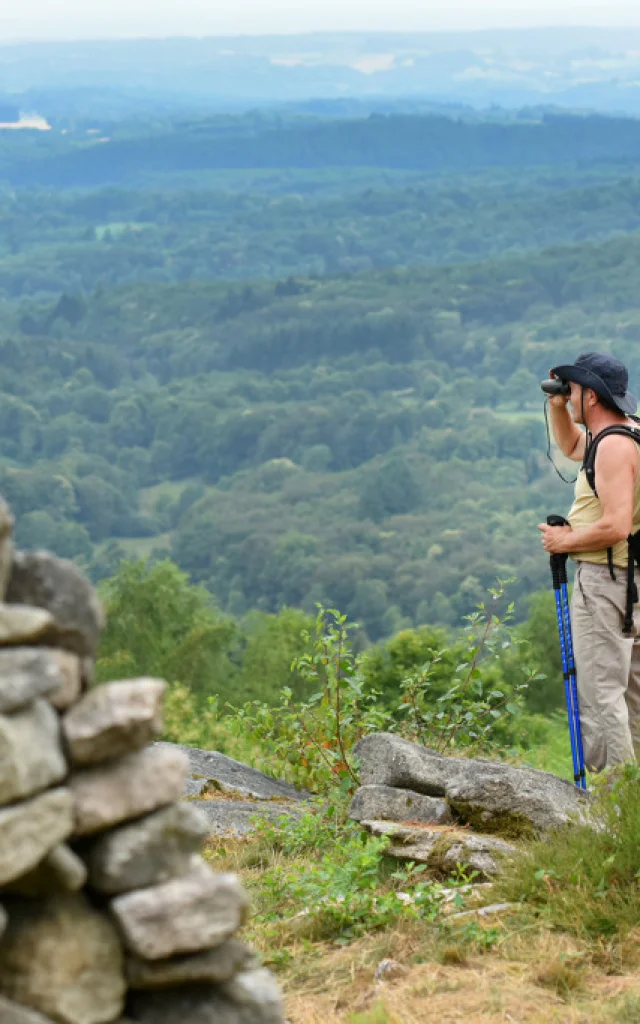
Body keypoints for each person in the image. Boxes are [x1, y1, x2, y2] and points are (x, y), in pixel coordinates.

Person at [538, 352, 640, 773]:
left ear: (592, 396)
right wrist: (558, 406)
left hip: (606, 582)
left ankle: (613, 814)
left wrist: (566, 540)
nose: (569, 395)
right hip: (630, 581)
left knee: (600, 698)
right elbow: (573, 446)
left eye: (574, 390)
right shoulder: (625, 434)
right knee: (633, 700)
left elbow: (615, 525)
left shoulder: (613, 448)